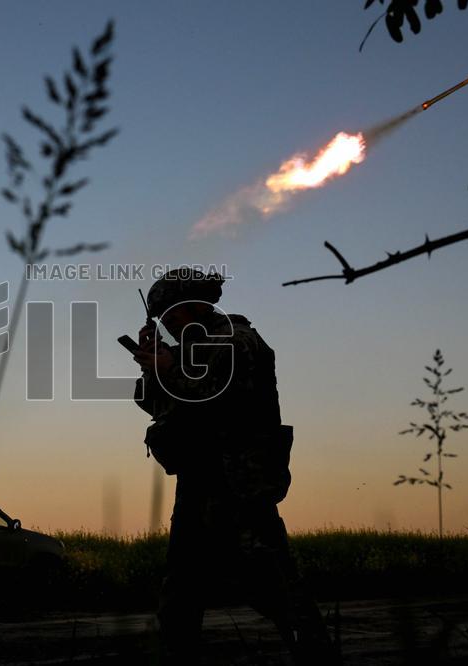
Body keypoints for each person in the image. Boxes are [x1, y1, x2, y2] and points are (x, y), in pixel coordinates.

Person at [132, 267, 333, 663]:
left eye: (172, 314)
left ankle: (316, 652)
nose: (168, 324)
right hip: (198, 481)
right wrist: (152, 367)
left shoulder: (238, 341)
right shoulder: (191, 351)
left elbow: (215, 399)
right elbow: (159, 406)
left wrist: (169, 368)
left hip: (239, 483)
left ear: (194, 304)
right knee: (181, 585)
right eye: (163, 319)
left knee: (268, 578)